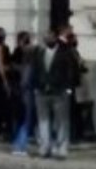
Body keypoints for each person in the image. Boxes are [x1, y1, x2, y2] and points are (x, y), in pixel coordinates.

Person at [31, 26, 81, 159]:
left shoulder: (65, 53)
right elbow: (35, 70)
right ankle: (45, 147)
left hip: (60, 91)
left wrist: (69, 88)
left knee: (62, 121)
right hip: (42, 91)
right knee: (43, 121)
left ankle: (61, 147)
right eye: (46, 36)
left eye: (50, 36)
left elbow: (71, 71)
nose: (47, 38)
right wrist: (35, 87)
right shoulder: (39, 52)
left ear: (55, 37)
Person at [10, 31, 36, 154]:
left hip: (21, 92)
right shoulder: (28, 65)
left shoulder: (26, 63)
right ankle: (20, 145)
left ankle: (18, 144)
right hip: (24, 93)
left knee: (21, 118)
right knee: (24, 119)